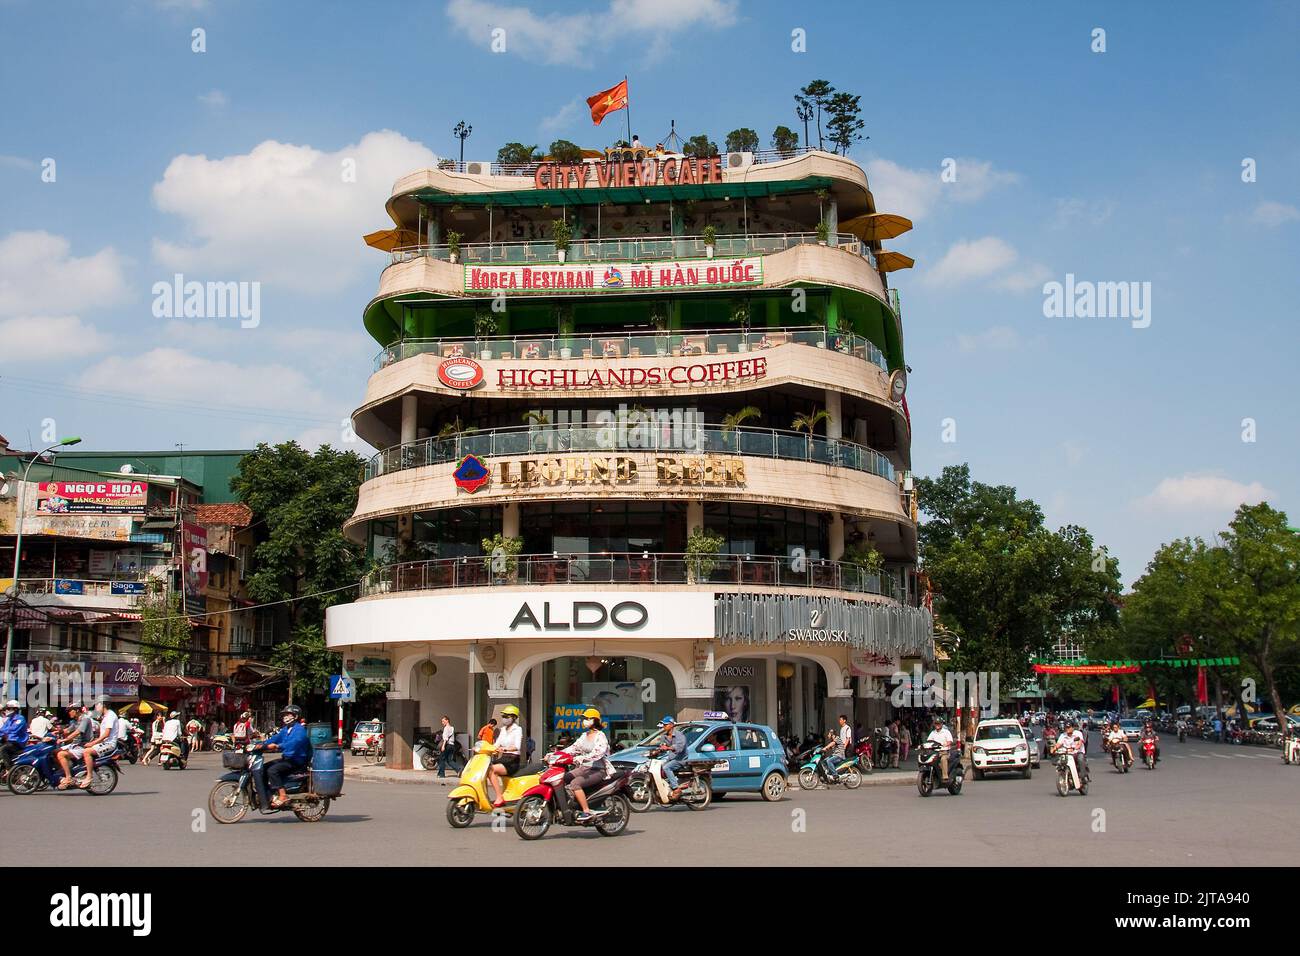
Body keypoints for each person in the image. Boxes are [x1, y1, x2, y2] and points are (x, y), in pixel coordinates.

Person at [255, 704, 311, 808]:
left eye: (288, 714)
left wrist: (277, 746)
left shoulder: (300, 730)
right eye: (284, 714)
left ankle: (282, 795)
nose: (285, 717)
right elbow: (275, 738)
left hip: (296, 761)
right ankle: (268, 795)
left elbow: (293, 743)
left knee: (272, 770)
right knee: (262, 768)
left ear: (296, 716)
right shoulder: (286, 729)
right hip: (287, 759)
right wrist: (261, 743)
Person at [561, 707, 612, 821]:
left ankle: (586, 811)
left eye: (587, 718)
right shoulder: (584, 736)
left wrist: (583, 758)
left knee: (575, 783)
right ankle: (569, 805)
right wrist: (555, 755)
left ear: (595, 720)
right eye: (584, 718)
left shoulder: (600, 736)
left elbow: (598, 753)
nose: (584, 721)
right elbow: (573, 748)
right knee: (563, 778)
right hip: (584, 768)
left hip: (598, 769)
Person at [57, 698, 117, 790]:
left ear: (103, 704)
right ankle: (67, 773)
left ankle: (88, 777)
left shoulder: (110, 716)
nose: (96, 707)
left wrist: (93, 742)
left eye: (97, 705)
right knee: (57, 752)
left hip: (109, 744)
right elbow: (68, 730)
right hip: (100, 742)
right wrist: (55, 732)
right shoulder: (104, 716)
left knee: (86, 752)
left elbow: (106, 734)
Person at [486, 705, 523, 806]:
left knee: (491, 770)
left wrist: (505, 749)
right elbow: (497, 744)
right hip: (504, 759)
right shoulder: (502, 730)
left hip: (512, 760)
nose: (504, 718)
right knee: (484, 768)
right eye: (504, 716)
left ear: (514, 718)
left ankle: (499, 797)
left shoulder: (517, 729)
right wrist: (486, 748)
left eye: (507, 716)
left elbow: (517, 746)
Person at [649, 715, 687, 799]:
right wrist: (656, 751)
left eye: (666, 725)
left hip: (680, 759)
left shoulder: (679, 735)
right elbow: (663, 746)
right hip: (671, 759)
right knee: (660, 768)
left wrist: (668, 748)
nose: (664, 726)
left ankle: (676, 789)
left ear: (671, 725)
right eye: (664, 725)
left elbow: (679, 748)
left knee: (666, 768)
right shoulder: (664, 736)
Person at [1052, 719, 1087, 787]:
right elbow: (1058, 744)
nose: (1067, 729)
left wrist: (1076, 747)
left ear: (1073, 727)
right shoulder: (1063, 735)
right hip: (1067, 754)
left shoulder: (1078, 733)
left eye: (1069, 727)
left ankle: (1082, 777)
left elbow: (1079, 743)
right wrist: (1054, 749)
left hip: (1077, 753)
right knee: (1059, 761)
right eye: (1066, 727)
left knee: (1080, 759)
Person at [925, 715, 955, 782]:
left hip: (944, 752)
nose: (937, 725)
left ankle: (945, 777)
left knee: (943, 759)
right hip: (934, 752)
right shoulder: (933, 733)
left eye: (938, 723)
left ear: (941, 724)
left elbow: (950, 741)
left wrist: (946, 744)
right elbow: (929, 741)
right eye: (936, 723)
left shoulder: (946, 732)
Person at [0, 700, 29, 766]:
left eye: (8, 708)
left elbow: (14, 730)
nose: (6, 710)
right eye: (6, 708)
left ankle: (8, 768)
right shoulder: (9, 719)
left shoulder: (20, 719)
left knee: (2, 750)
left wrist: (5, 734)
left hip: (17, 743)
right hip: (8, 741)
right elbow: (2, 730)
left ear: (15, 709)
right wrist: (3, 734)